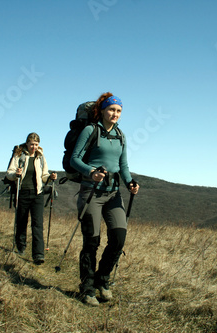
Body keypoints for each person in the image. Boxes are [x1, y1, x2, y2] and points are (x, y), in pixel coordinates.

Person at [70, 92, 140, 306]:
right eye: (111, 109)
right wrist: (91, 172)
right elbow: (75, 159)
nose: (115, 114)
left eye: (118, 111)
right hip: (91, 192)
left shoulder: (121, 135)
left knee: (118, 238)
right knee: (92, 241)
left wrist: (130, 183)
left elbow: (123, 166)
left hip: (113, 193)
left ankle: (103, 279)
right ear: (102, 110)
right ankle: (87, 287)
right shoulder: (91, 131)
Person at [6, 132, 57, 265]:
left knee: (37, 224)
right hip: (22, 192)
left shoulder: (40, 156)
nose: (34, 147)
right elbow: (9, 173)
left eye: (36, 145)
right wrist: (15, 174)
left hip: (37, 193)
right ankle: (21, 247)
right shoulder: (19, 154)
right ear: (27, 143)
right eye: (32, 144)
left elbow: (44, 175)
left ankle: (38, 254)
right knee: (22, 222)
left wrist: (50, 177)